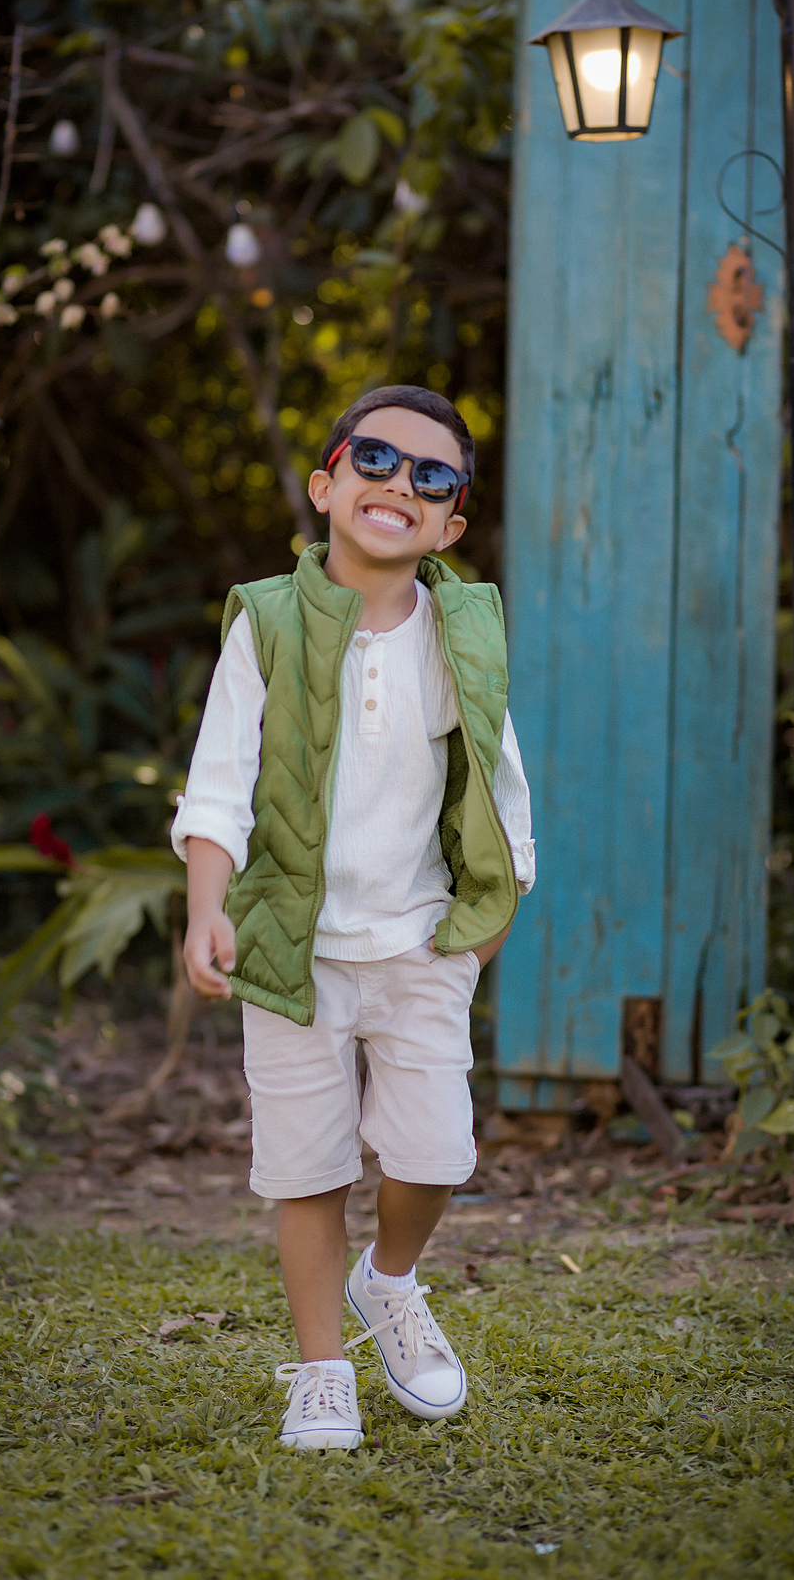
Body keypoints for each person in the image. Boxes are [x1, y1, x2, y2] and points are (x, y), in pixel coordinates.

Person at [173, 385, 534, 1451]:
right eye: (376, 459)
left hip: (421, 941)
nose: (399, 484)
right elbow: (219, 784)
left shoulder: (463, 633)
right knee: (310, 1170)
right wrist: (206, 908)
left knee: (436, 1153)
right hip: (292, 948)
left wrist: (493, 915)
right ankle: (324, 1368)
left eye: (432, 476)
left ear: (450, 525)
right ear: (326, 485)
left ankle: (392, 1278)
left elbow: (499, 780)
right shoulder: (268, 622)